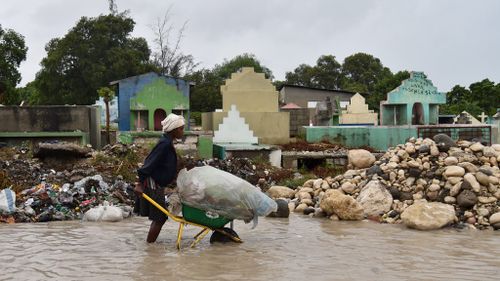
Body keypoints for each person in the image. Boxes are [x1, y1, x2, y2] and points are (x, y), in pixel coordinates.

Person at [134, 113, 185, 243]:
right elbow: (149, 163)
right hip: (153, 183)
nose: (182, 131)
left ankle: (150, 246)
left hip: (158, 183)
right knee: (160, 217)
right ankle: (150, 249)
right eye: (181, 128)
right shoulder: (164, 144)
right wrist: (139, 184)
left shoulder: (167, 142)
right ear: (173, 129)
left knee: (159, 218)